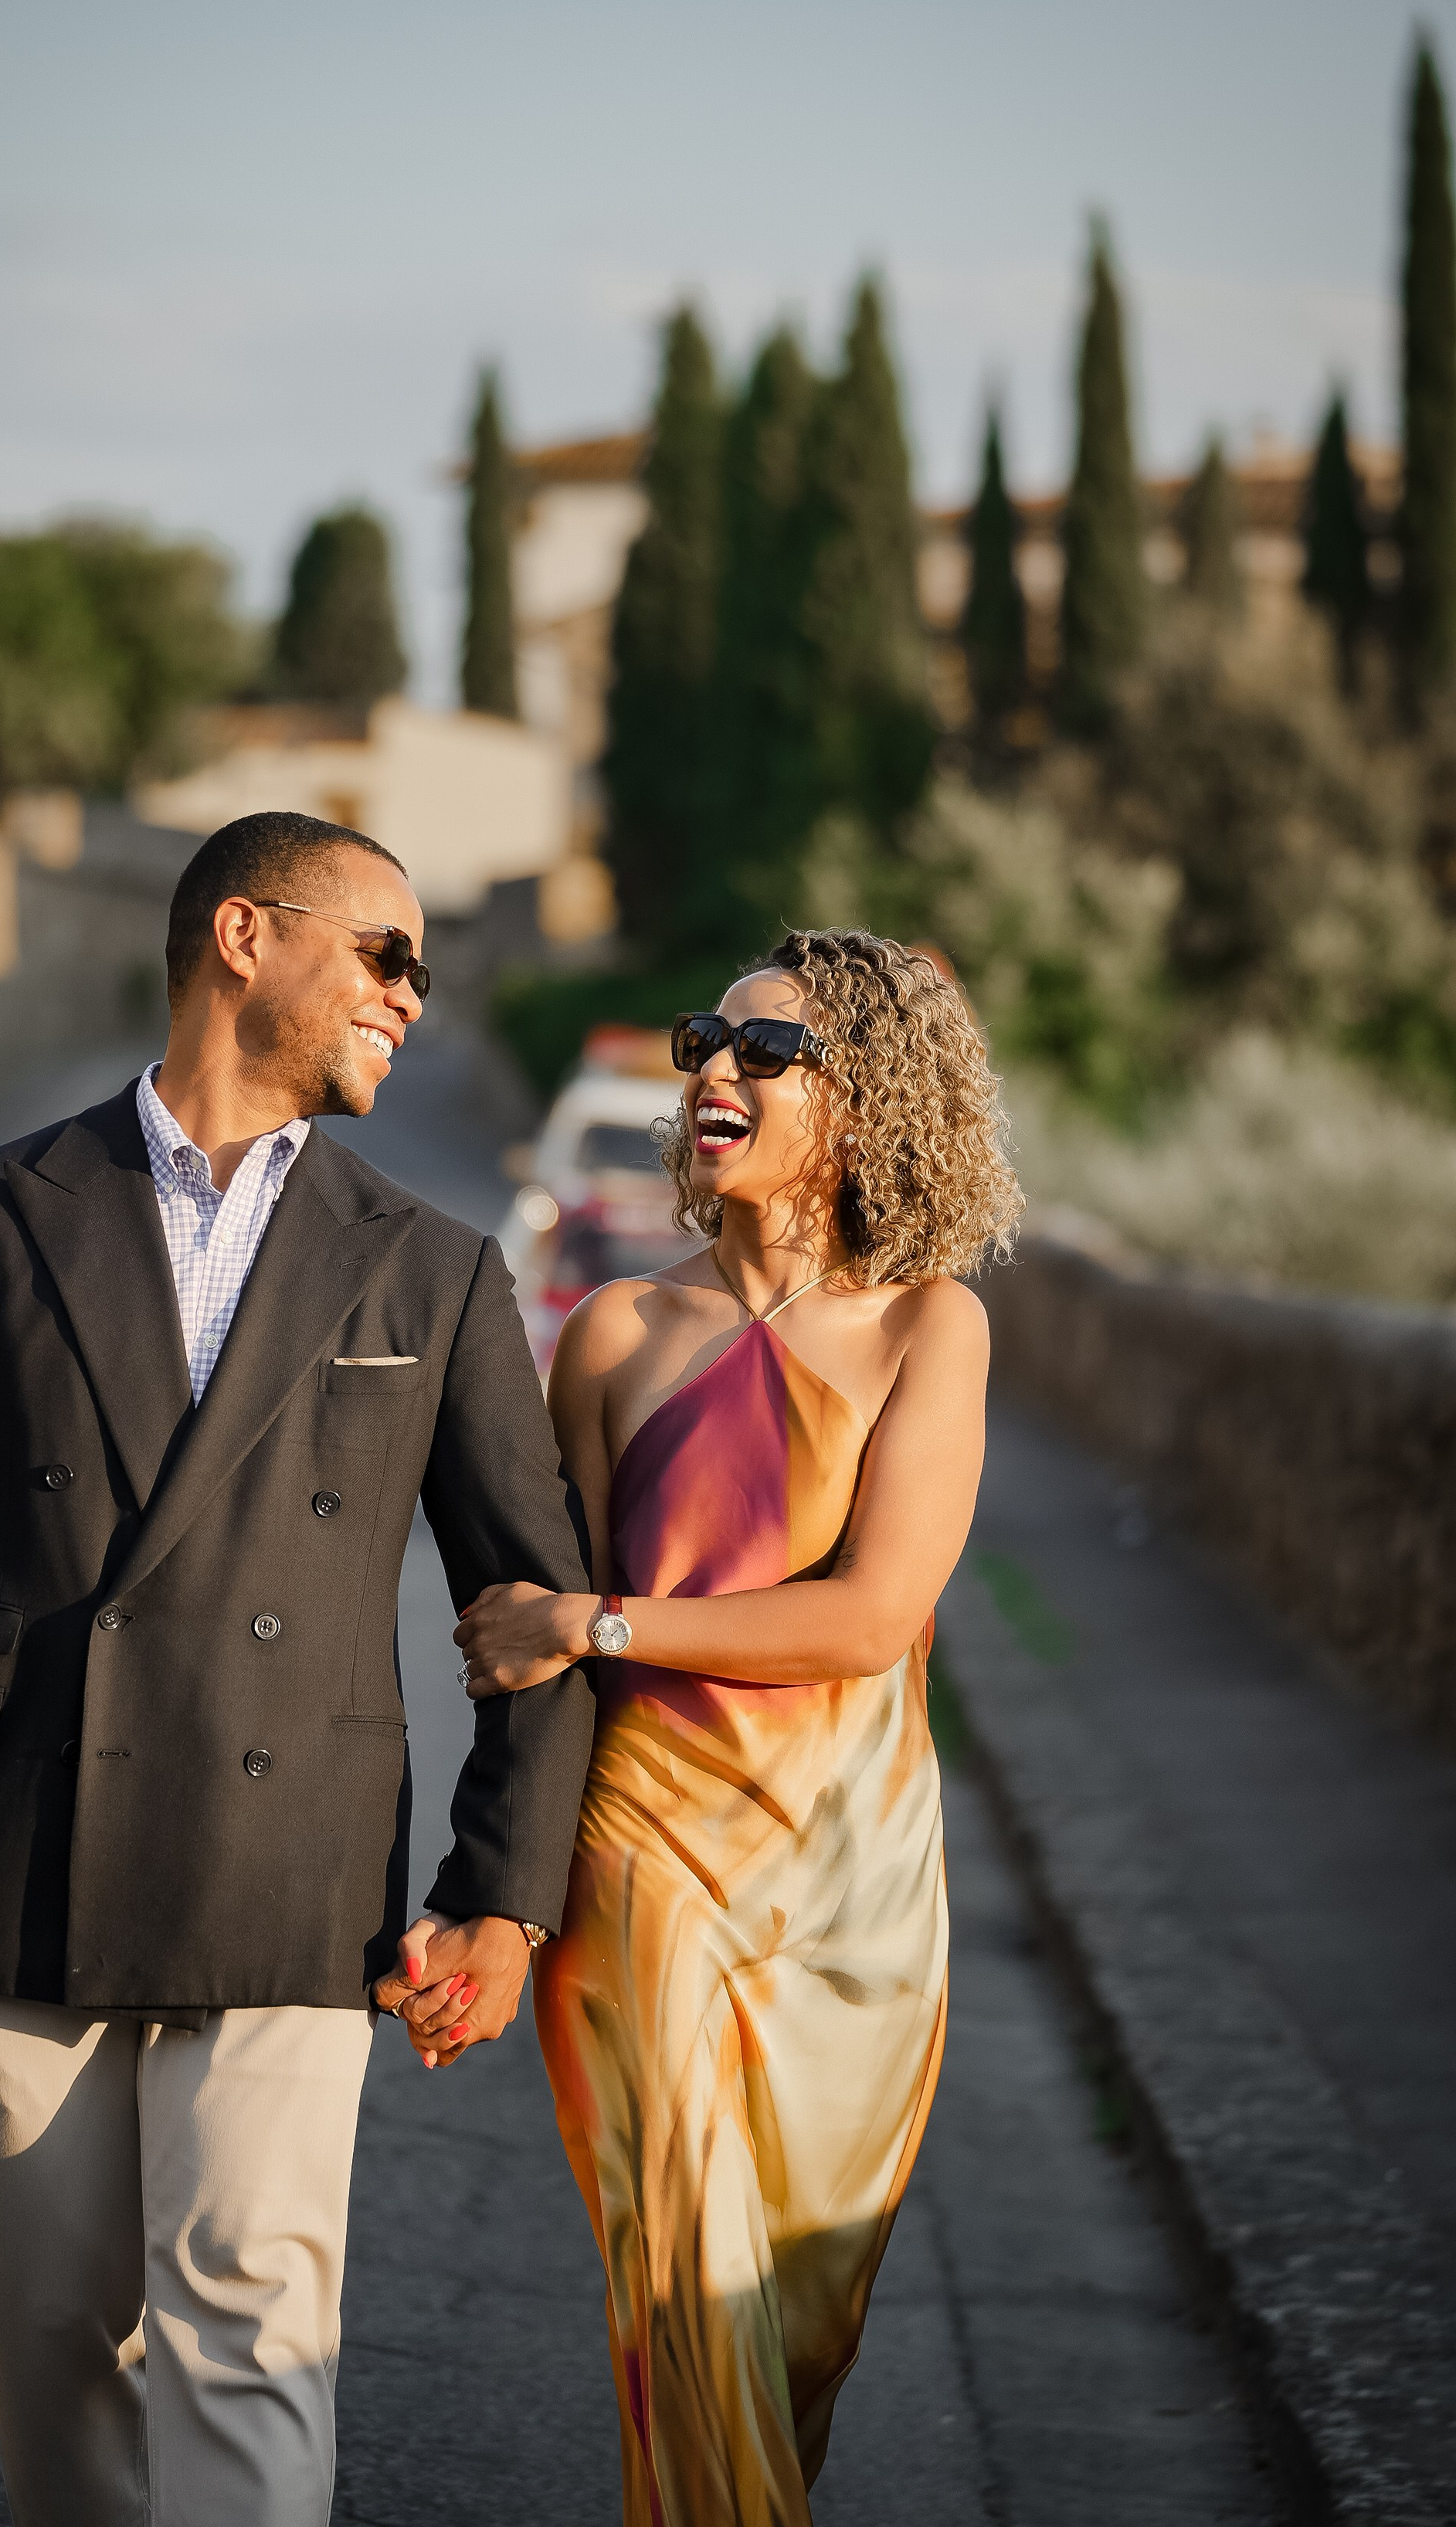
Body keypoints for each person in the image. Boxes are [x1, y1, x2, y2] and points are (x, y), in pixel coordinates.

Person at [0, 810, 594, 2527]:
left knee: (252, 2338)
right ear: (245, 936)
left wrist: (501, 1896)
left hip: (288, 1874)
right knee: (58, 2353)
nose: (412, 994)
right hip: (3, 1868)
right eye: (383, 953)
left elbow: (530, 1605)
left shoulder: (434, 1269)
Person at [439, 928, 1023, 2525]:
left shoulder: (927, 1329)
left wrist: (602, 1622)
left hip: (853, 1889)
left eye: (769, 1050)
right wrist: (497, 1902)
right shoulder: (615, 1332)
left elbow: (871, 1616)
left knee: (788, 2346)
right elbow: (538, 1650)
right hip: (643, 1864)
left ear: (869, 1101)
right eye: (709, 1038)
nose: (715, 1067)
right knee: (684, 2305)